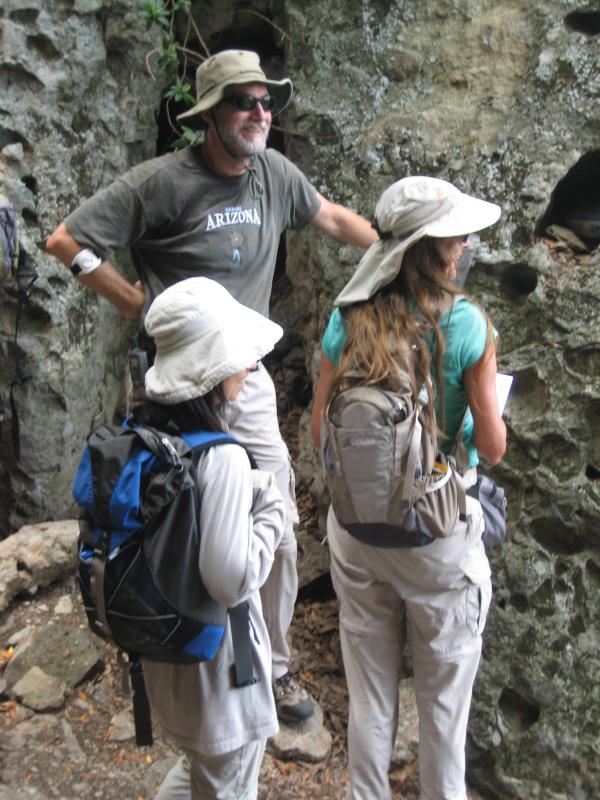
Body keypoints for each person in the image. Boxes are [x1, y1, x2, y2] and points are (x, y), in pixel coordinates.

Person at [45, 48, 378, 721]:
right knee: (174, 525)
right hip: (173, 391)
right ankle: (168, 647)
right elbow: (66, 241)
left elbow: (333, 219)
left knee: (276, 524)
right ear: (210, 115)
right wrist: (134, 303)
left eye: (265, 102)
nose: (259, 113)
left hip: (246, 384)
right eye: (243, 102)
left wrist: (394, 248)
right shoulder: (163, 183)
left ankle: (272, 668)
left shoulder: (273, 175)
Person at [310, 176, 507, 800]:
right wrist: (467, 430)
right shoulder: (467, 325)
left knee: (369, 701)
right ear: (433, 249)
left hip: (357, 534)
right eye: (457, 236)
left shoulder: (347, 319)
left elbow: (318, 431)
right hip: (435, 538)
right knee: (443, 713)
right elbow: (493, 447)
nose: (465, 244)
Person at [132, 276, 285, 800]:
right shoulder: (221, 457)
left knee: (200, 770)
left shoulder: (148, 434)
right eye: (239, 356)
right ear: (212, 370)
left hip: (166, 657)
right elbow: (229, 580)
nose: (251, 365)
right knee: (226, 778)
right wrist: (272, 512)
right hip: (219, 677)